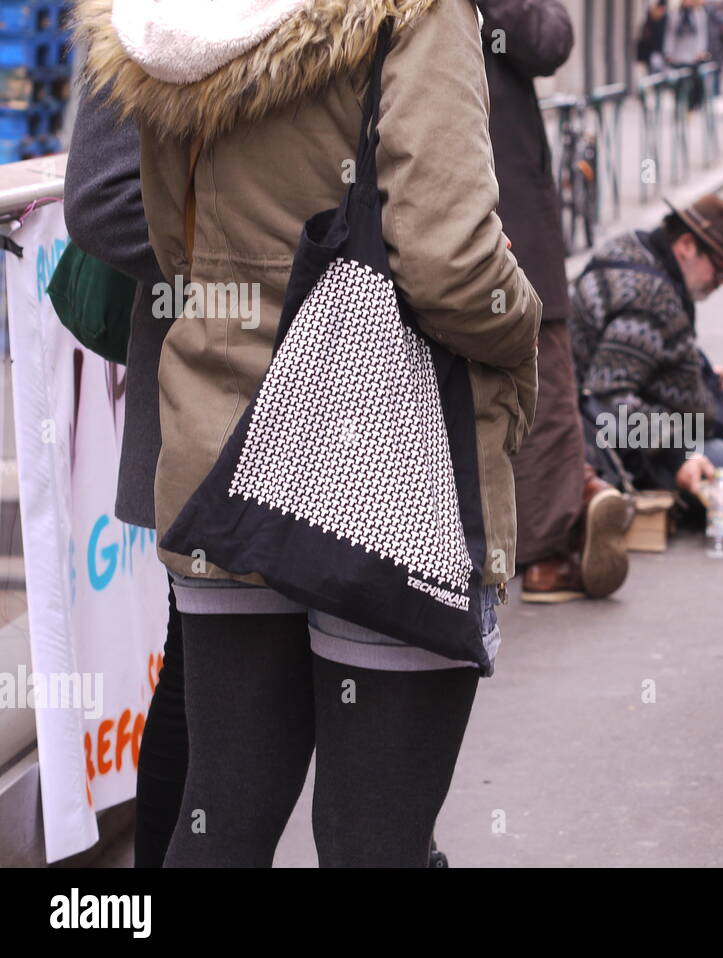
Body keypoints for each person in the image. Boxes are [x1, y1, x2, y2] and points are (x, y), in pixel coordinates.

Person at [77, 0, 541, 867]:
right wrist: (524, 333)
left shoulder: (164, 19)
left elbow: (172, 249)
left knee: (223, 816)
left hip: (219, 446)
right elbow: (450, 261)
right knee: (375, 839)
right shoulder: (417, 13)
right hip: (387, 465)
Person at [62, 77, 184, 869]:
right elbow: (102, 199)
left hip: (356, 396)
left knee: (366, 659)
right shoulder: (137, 21)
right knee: (207, 672)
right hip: (208, 396)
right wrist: (276, 265)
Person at [479, 0, 636, 605]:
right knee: (542, 388)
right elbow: (547, 40)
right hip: (496, 211)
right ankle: (550, 548)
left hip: (423, 215)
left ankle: (577, 502)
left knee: (502, 388)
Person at [569, 194, 723, 516]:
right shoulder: (651, 297)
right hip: (632, 449)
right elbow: (609, 398)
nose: (720, 283)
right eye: (721, 271)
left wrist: (705, 371)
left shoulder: (635, 247)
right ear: (687, 245)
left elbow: (642, 349)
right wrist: (678, 457)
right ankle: (675, 493)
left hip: (644, 425)